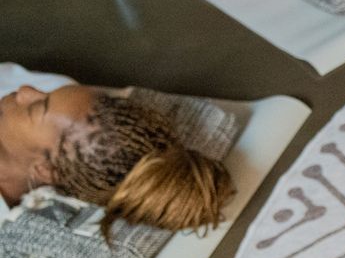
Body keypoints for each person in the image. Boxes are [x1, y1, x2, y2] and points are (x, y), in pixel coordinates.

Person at [0, 63, 234, 237]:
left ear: (45, 170)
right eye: (46, 97)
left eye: (36, 108)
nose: (25, 91)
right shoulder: (58, 88)